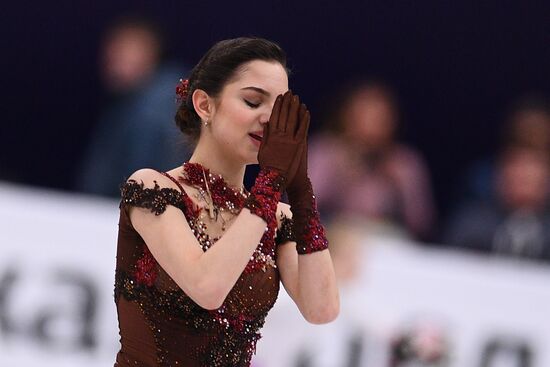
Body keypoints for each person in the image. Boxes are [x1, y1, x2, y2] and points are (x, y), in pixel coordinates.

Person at [113, 37, 339, 366]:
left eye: (279, 110)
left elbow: (322, 310)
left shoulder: (279, 218)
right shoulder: (154, 189)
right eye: (252, 102)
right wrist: (270, 183)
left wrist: (301, 190)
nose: (269, 120)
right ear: (204, 104)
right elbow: (206, 288)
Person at [77, 16, 191, 197]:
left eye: (125, 52)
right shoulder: (130, 101)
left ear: (151, 53)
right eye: (112, 52)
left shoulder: (153, 111)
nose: (113, 61)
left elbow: (144, 184)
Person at [309, 82, 436, 240]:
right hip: (333, 239)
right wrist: (337, 175)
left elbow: (422, 225)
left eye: (381, 118)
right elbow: (301, 205)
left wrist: (403, 188)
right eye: (365, 116)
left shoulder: (405, 162)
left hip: (389, 244)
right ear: (346, 116)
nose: (373, 126)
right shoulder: (325, 151)